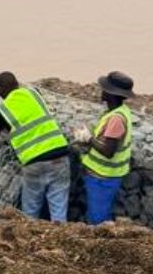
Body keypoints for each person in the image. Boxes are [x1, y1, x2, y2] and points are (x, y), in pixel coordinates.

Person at [0, 72, 71, 222]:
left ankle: (30, 240)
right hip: (60, 156)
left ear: (0, 89)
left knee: (30, 211)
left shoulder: (3, 110)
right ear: (17, 84)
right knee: (59, 209)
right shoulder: (34, 94)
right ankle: (60, 239)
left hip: (34, 162)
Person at [73, 71, 136, 225]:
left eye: (104, 89)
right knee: (98, 214)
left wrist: (88, 138)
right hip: (104, 176)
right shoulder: (119, 112)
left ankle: (99, 243)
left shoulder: (115, 119)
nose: (101, 91)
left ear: (111, 94)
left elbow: (108, 151)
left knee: (98, 219)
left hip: (103, 177)